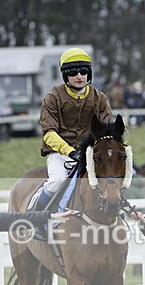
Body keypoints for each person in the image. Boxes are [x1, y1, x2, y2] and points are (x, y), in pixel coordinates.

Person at [36, 47, 112, 212]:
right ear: (65, 75)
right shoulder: (52, 98)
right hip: (60, 155)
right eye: (73, 72)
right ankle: (35, 216)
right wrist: (70, 151)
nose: (79, 76)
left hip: (90, 154)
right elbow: (49, 134)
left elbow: (107, 132)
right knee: (57, 181)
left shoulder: (100, 99)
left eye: (83, 71)